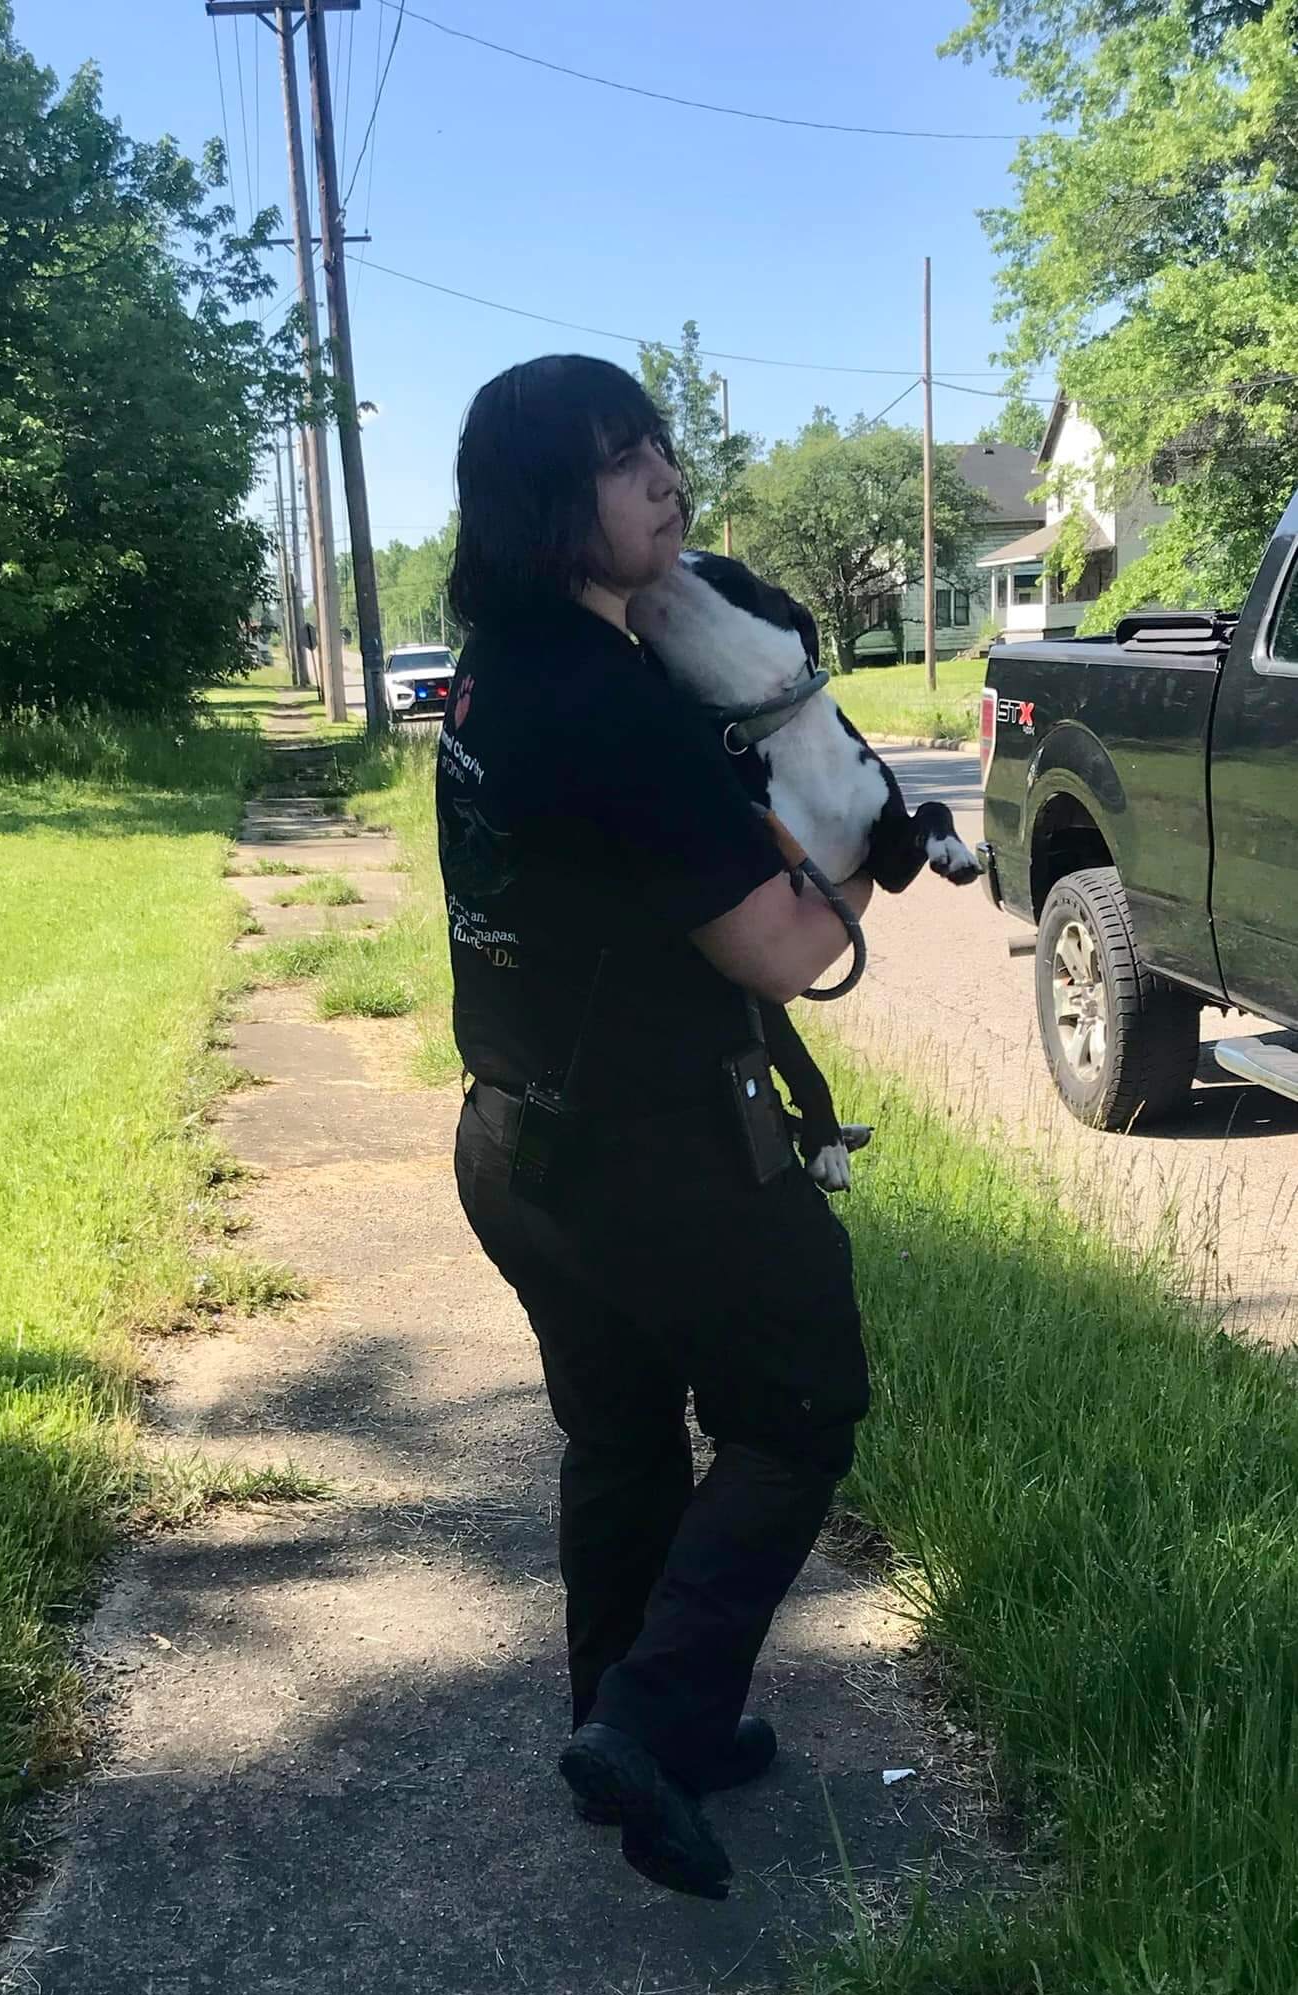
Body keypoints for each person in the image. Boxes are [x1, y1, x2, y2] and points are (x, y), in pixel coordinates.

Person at [438, 354, 872, 1902]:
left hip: (515, 1142)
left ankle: (613, 1728)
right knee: (801, 1408)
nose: (666, 484)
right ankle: (652, 1713)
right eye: (626, 465)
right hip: (654, 1154)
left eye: (662, 451)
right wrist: (857, 840)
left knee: (619, 1433)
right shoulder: (609, 702)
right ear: (552, 501)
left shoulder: (498, 663)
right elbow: (777, 952)